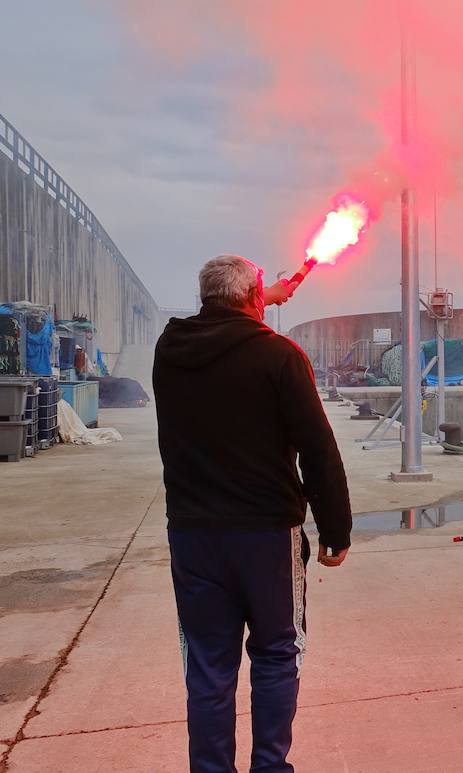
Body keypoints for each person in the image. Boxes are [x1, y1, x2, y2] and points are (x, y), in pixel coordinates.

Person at [153, 255, 351, 772]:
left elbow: (226, 334)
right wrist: (336, 528)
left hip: (194, 536)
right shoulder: (280, 356)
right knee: (275, 653)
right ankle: (269, 766)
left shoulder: (169, 352)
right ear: (253, 301)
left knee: (209, 666)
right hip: (265, 535)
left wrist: (266, 296)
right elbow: (318, 447)